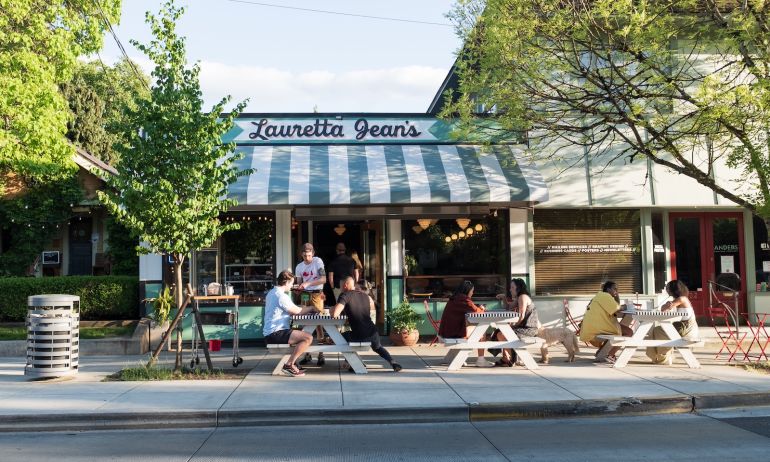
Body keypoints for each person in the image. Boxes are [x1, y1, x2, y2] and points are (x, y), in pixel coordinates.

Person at [331, 276, 402, 372]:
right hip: (373, 332)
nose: (340, 289)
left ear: (345, 285)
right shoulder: (365, 296)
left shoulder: (345, 295)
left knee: (338, 336)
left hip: (359, 335)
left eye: (340, 286)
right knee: (378, 347)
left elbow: (335, 314)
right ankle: (393, 362)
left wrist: (332, 309)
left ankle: (353, 362)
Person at [262, 270, 319, 377]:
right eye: (292, 283)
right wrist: (311, 307)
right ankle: (289, 364)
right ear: (287, 282)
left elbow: (292, 309)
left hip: (271, 332)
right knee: (308, 338)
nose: (292, 285)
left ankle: (293, 362)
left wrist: (302, 308)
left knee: (302, 336)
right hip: (275, 333)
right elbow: (298, 311)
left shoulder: (272, 292)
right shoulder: (281, 296)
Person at [438, 280, 494, 368]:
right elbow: (476, 311)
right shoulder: (463, 299)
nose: (472, 293)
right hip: (453, 333)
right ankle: (481, 360)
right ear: (467, 290)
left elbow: (471, 309)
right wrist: (482, 308)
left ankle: (452, 357)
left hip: (446, 332)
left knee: (476, 328)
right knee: (481, 330)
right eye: (472, 291)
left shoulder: (455, 298)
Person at [646, 280, 700, 364]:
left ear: (674, 290)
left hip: (687, 330)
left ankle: (663, 356)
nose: (667, 290)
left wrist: (668, 303)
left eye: (668, 289)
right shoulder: (681, 299)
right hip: (685, 328)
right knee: (658, 330)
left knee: (657, 330)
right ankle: (663, 356)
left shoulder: (682, 299)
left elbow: (663, 309)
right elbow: (665, 308)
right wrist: (668, 303)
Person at [579, 281, 633, 363]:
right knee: (628, 332)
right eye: (615, 289)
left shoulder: (600, 296)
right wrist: (626, 306)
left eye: (617, 289)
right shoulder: (605, 296)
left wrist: (616, 295)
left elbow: (615, 306)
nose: (616, 291)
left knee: (619, 331)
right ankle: (610, 355)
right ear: (608, 289)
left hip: (591, 327)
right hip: (597, 328)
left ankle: (601, 352)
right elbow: (617, 308)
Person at [294, 243, 327, 366]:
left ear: (313, 253)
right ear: (301, 255)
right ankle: (307, 354)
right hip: (305, 295)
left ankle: (321, 354)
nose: (307, 258)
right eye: (304, 256)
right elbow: (298, 283)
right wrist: (297, 289)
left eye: (309, 255)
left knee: (319, 323)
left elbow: (323, 279)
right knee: (305, 322)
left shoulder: (318, 261)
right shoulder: (299, 267)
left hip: (317, 294)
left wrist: (308, 284)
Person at [495, 278, 540, 367]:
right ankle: (507, 358)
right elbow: (508, 307)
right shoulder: (520, 297)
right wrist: (504, 297)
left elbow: (521, 316)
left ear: (518, 288)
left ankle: (508, 359)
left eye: (512, 287)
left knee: (502, 334)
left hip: (528, 329)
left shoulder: (522, 297)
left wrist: (513, 326)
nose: (510, 289)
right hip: (524, 328)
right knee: (500, 333)